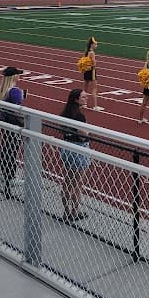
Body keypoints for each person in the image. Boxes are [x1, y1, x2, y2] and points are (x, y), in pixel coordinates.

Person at [59, 89, 92, 222]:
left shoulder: (64, 113)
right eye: (83, 97)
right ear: (76, 100)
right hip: (79, 149)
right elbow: (84, 133)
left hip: (66, 148)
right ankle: (74, 212)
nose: (86, 98)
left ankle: (66, 212)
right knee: (77, 184)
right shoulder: (79, 116)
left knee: (67, 181)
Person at [0, 66, 26, 198]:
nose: (19, 76)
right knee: (12, 150)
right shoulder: (14, 91)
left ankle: (6, 175)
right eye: (17, 74)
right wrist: (24, 124)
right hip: (13, 124)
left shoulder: (2, 89)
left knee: (6, 148)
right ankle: (11, 177)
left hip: (5, 122)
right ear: (13, 77)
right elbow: (16, 111)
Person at [82, 37, 103, 111]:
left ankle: (83, 104)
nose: (96, 45)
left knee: (85, 88)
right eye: (95, 44)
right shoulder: (92, 53)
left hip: (86, 71)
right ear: (92, 45)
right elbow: (94, 64)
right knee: (94, 89)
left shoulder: (86, 51)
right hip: (92, 71)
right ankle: (95, 106)